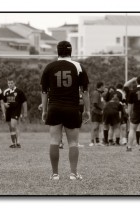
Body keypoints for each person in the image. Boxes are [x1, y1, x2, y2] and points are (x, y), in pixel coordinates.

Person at [41, 40, 90, 180]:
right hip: (72, 108)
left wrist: (44, 110)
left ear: (57, 51)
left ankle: (55, 174)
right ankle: (73, 174)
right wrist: (88, 110)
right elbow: (85, 91)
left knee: (54, 140)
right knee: (73, 142)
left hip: (54, 107)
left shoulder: (49, 67)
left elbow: (44, 91)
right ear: (71, 51)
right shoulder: (78, 66)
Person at [3, 78, 27, 148]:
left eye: (11, 83)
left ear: (14, 83)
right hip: (8, 112)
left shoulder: (19, 91)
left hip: (16, 111)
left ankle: (18, 142)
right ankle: (13, 143)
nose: (10, 84)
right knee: (10, 127)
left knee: (13, 125)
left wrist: (25, 112)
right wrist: (4, 104)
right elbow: (2, 102)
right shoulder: (5, 92)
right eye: (9, 83)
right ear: (7, 83)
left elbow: (24, 102)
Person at [89, 82, 105, 146]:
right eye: (103, 86)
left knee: (98, 127)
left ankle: (97, 141)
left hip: (99, 112)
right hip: (95, 112)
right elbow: (95, 104)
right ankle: (92, 141)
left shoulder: (100, 93)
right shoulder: (96, 93)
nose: (104, 87)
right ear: (101, 86)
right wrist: (101, 109)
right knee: (94, 127)